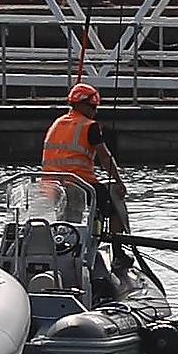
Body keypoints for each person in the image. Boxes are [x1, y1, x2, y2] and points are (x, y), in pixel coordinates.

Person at [42, 82, 133, 268]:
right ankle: (118, 253)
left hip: (51, 184)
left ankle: (64, 249)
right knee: (115, 210)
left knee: (66, 220)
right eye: (92, 107)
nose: (95, 111)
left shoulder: (57, 123)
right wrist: (119, 182)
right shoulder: (89, 126)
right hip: (80, 182)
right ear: (82, 105)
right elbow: (105, 157)